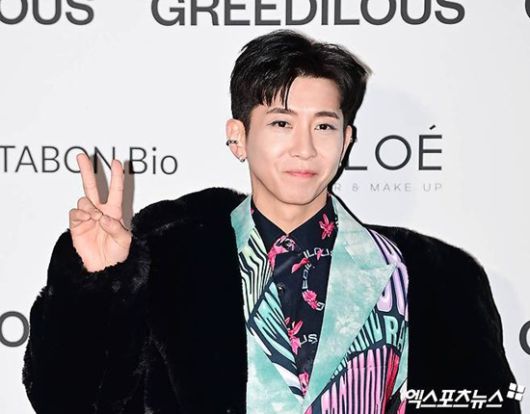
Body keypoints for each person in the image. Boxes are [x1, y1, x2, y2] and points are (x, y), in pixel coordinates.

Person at [22, 29, 520, 414]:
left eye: (324, 125)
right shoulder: (170, 260)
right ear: (238, 136)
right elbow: (66, 401)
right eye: (281, 122)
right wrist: (99, 283)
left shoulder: (432, 276)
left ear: (346, 140)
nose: (304, 147)